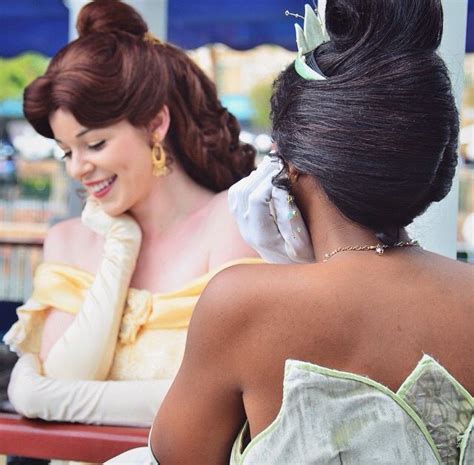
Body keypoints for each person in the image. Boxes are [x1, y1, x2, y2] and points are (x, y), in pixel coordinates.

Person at [111, 0, 474, 463]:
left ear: (290, 163)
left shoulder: (243, 303)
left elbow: (174, 454)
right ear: (434, 163)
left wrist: (286, 267)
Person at [3, 0, 261, 427]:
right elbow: (69, 373)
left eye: (95, 144)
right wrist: (121, 248)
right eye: (67, 151)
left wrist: (41, 396)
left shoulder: (231, 226)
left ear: (155, 124)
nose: (77, 168)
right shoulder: (68, 240)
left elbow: (225, 403)